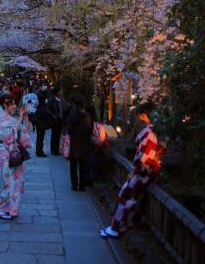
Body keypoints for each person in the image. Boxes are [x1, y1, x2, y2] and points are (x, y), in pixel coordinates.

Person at [99, 102, 164, 238]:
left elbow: (143, 158)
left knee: (125, 196)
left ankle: (116, 228)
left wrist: (135, 171)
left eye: (140, 116)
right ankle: (117, 226)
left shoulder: (150, 133)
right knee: (127, 197)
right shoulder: (155, 131)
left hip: (144, 172)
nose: (139, 119)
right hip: (148, 169)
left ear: (144, 115)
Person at [0, 94, 29, 220]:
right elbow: (9, 137)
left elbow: (24, 132)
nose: (14, 106)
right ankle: (0, 209)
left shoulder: (10, 118)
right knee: (9, 182)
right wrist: (20, 117)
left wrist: (25, 117)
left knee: (16, 182)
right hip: (6, 153)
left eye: (15, 103)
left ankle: (10, 209)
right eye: (12, 104)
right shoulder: (1, 118)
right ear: (5, 104)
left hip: (14, 153)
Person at [67, 94, 92, 191]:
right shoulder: (88, 115)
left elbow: (69, 129)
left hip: (74, 142)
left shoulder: (73, 115)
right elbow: (90, 129)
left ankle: (74, 185)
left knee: (73, 165)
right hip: (85, 142)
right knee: (83, 165)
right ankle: (82, 185)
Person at [47, 85, 64, 155]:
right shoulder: (52, 100)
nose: (62, 92)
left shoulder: (62, 99)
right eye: (61, 90)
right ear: (57, 92)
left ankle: (56, 149)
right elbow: (47, 109)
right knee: (54, 135)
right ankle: (53, 150)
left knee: (58, 135)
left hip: (61, 120)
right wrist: (53, 115)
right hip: (55, 120)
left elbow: (64, 108)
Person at [35, 91, 51, 157]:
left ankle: (38, 151)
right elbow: (45, 114)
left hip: (39, 123)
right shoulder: (43, 106)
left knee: (39, 138)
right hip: (41, 123)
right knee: (40, 138)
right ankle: (39, 152)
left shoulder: (39, 106)